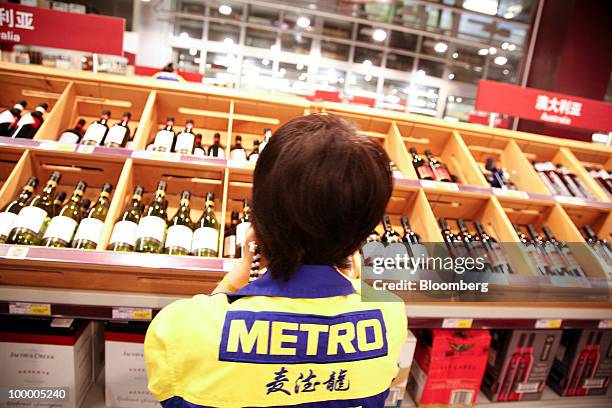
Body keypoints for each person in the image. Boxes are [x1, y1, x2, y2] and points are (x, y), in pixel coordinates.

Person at [144, 114, 407, 407]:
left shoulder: (180, 325)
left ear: (261, 212)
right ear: (366, 229)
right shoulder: (389, 314)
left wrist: (240, 271)